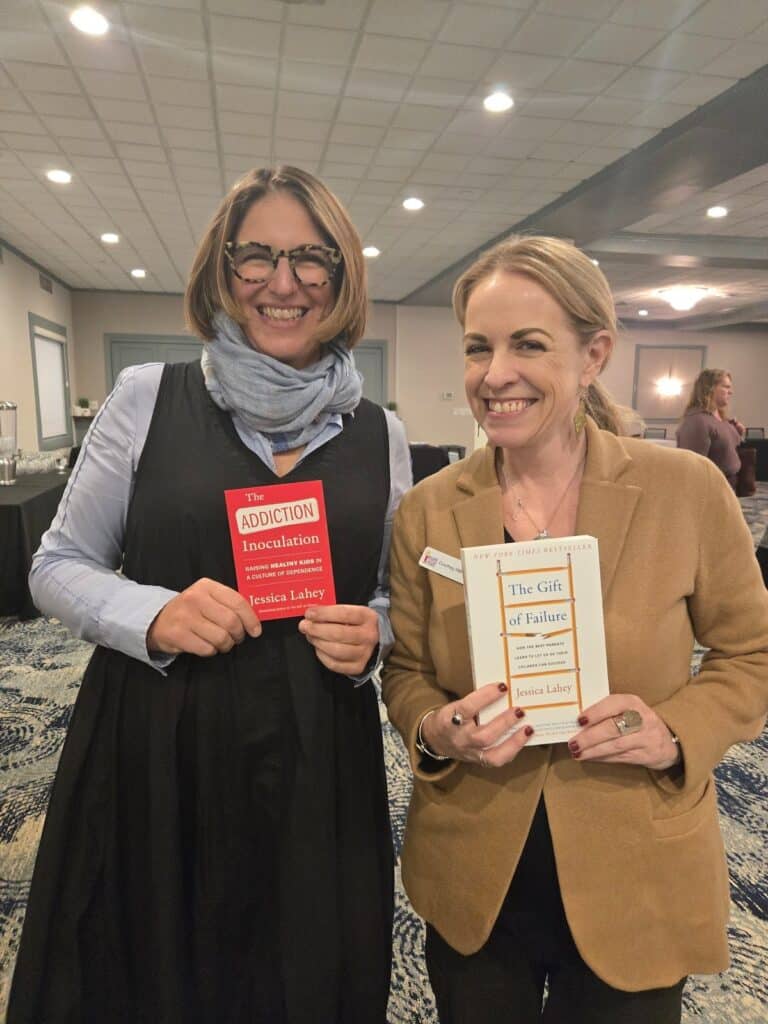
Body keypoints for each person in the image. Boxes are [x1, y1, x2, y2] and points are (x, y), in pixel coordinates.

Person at [9, 166, 411, 1024]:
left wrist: (375, 632)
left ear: (341, 276)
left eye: (311, 258)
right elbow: (57, 563)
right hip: (161, 741)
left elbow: (392, 595)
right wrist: (151, 612)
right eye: (256, 255)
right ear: (222, 270)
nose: (282, 283)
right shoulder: (147, 398)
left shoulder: (383, 433)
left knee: (302, 968)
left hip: (317, 752)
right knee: (157, 965)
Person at [382, 237, 768, 1024]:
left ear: (594, 354)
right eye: (478, 347)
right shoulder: (429, 507)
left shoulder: (684, 490)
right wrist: (435, 729)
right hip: (475, 868)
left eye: (529, 345)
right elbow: (407, 671)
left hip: (637, 869)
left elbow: (750, 654)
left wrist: (675, 732)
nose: (496, 374)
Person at [676, 368, 745, 488]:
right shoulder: (698, 421)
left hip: (730, 484)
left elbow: (726, 450)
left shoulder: (720, 418)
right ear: (710, 388)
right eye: (726, 387)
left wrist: (738, 433)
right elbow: (694, 467)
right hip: (713, 487)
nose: (731, 392)